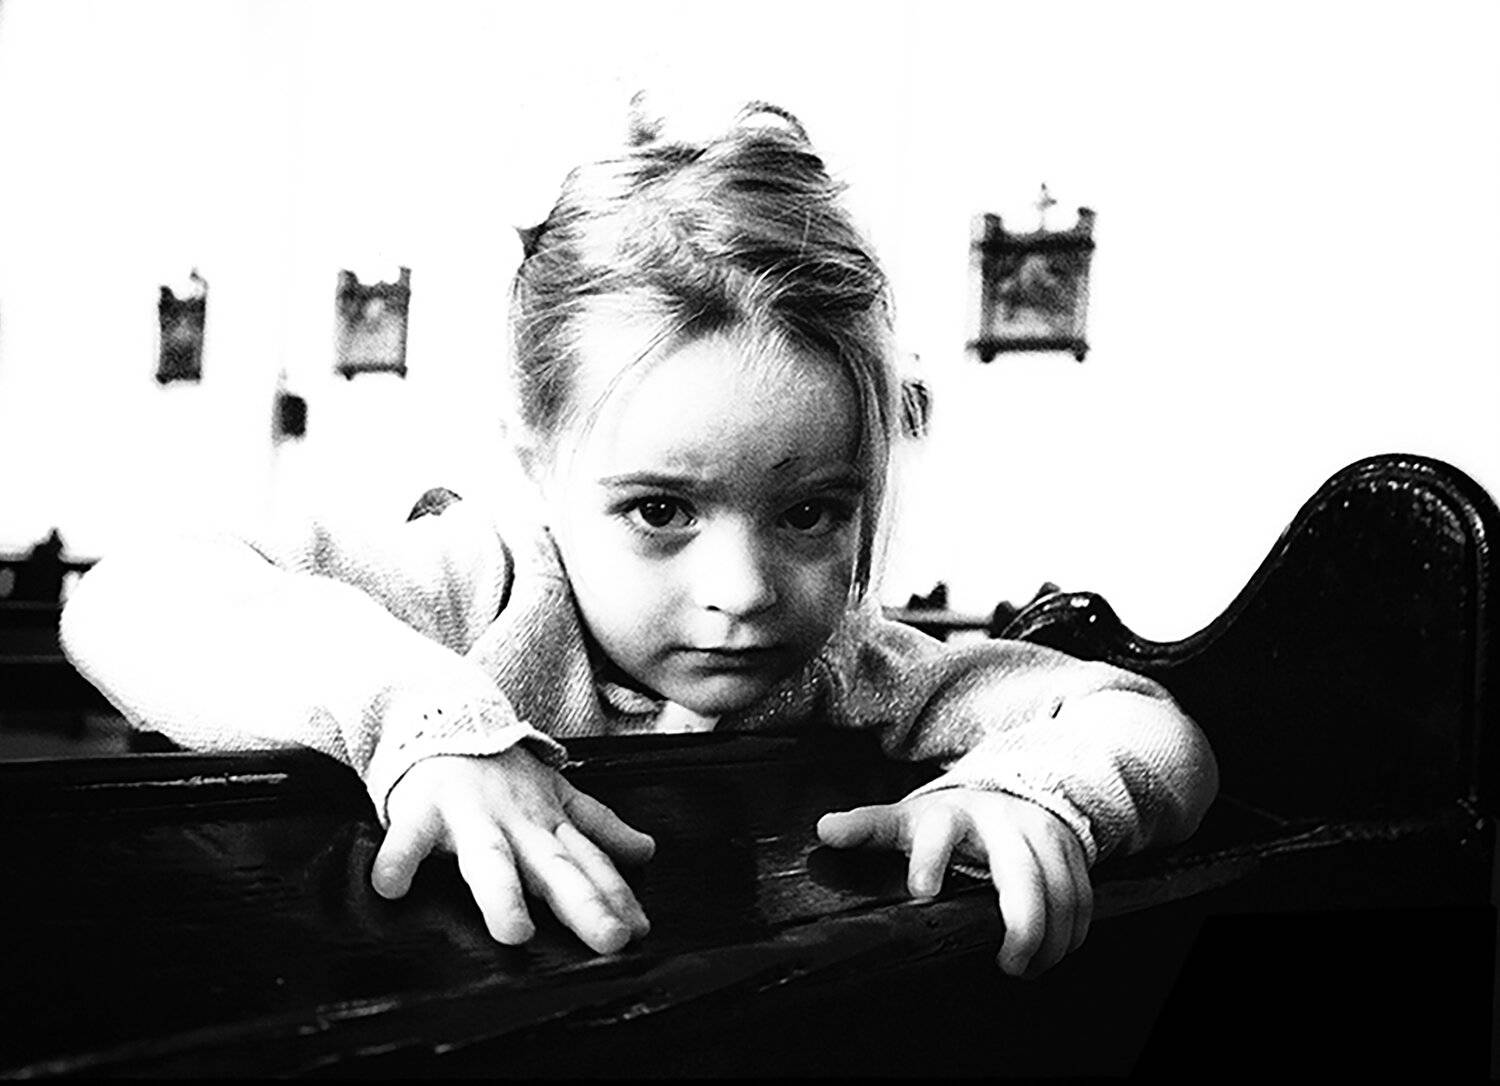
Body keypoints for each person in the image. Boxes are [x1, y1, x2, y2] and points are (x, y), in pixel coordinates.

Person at [60, 102, 1218, 979]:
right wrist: (425, 729)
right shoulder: (480, 587)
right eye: (661, 510)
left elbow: (1149, 726)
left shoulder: (858, 671)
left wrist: (1035, 798)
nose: (744, 591)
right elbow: (135, 596)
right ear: (537, 466)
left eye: (810, 512)